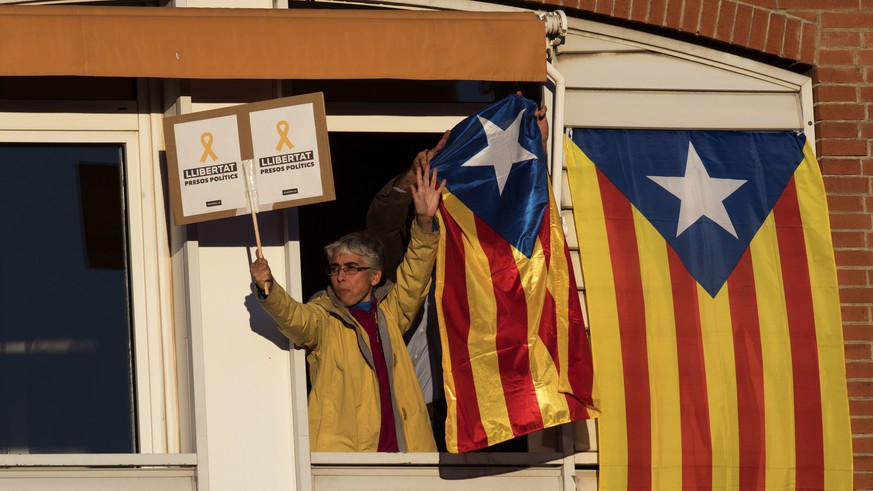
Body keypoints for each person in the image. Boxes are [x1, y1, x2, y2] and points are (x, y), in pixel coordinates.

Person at [249, 162, 446, 452]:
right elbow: (293, 317)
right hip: (346, 461)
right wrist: (268, 287)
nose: (340, 276)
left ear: (375, 275)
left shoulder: (390, 312)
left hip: (404, 457)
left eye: (351, 268)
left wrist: (424, 222)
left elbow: (415, 272)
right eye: (335, 268)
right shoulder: (324, 317)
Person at [366, 131, 451, 450]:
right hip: (406, 406)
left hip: (458, 403)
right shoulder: (403, 259)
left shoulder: (475, 267)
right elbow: (380, 222)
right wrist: (412, 178)